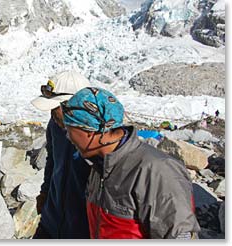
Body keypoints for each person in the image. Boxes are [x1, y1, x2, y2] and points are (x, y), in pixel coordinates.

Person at [61, 87, 200, 239]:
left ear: (90, 130)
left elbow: (180, 236)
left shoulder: (157, 170)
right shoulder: (99, 165)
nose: (68, 136)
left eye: (70, 129)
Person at [31, 70, 91, 238]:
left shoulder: (97, 138)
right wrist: (45, 192)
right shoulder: (55, 125)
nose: (51, 114)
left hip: (81, 224)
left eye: (54, 108)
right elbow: (52, 161)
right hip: (53, 215)